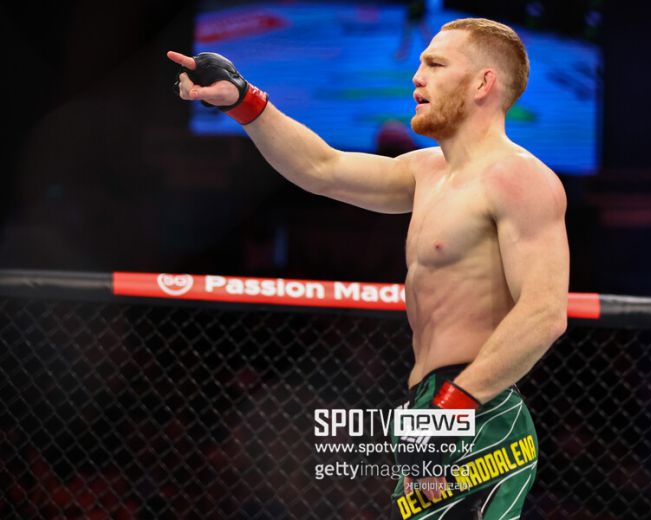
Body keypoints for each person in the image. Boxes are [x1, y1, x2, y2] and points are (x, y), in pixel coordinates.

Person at [168, 17, 569, 520]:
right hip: (438, 403)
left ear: (483, 83)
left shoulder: (519, 177)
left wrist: (453, 408)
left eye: (435, 64)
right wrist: (244, 101)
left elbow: (544, 313)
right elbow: (322, 169)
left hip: (476, 406)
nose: (417, 76)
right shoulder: (428, 173)